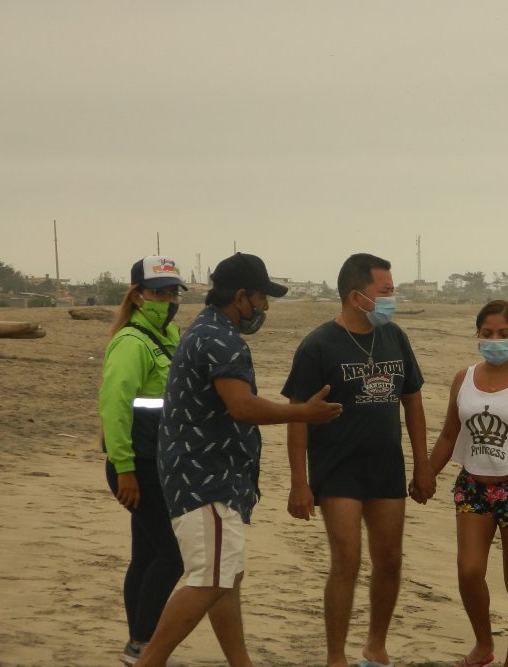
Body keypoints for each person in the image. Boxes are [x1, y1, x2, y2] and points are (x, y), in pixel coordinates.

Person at [135, 253, 343, 667]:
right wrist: (302, 412)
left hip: (205, 475)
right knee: (210, 580)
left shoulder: (208, 330)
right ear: (241, 296)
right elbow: (242, 406)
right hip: (205, 478)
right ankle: (147, 661)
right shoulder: (219, 339)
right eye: (262, 298)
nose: (264, 307)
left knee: (226, 577)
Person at [282, 253, 429, 667]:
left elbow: (413, 401)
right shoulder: (318, 345)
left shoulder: (395, 337)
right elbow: (297, 417)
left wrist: (423, 464)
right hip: (337, 469)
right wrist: (299, 483)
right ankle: (336, 656)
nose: (392, 299)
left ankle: (375, 647)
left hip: (386, 467)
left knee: (390, 560)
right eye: (385, 291)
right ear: (355, 296)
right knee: (346, 560)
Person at [416, 300, 508, 667]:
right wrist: (427, 472)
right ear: (478, 335)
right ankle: (483, 644)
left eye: (503, 333)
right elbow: (450, 434)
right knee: (469, 571)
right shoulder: (463, 378)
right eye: (487, 333)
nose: (494, 340)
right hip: (473, 487)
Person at [99, 255, 187, 665]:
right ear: (137, 296)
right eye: (159, 293)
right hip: (138, 465)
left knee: (148, 555)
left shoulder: (168, 337)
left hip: (160, 462)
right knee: (172, 555)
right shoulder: (131, 343)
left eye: (172, 293)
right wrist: (125, 471)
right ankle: (145, 644)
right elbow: (114, 408)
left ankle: (137, 645)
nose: (167, 301)